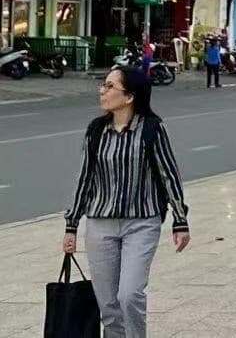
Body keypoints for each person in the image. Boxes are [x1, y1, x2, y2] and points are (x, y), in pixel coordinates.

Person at [63, 63, 190, 338]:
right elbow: (84, 179)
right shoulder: (96, 131)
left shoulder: (152, 129)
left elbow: (169, 175)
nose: (102, 91)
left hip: (141, 224)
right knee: (108, 305)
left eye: (110, 86)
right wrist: (71, 225)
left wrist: (180, 220)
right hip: (100, 226)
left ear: (129, 96)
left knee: (129, 295)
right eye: (103, 85)